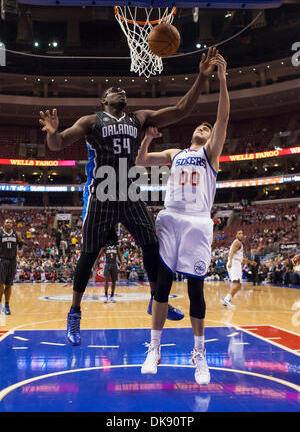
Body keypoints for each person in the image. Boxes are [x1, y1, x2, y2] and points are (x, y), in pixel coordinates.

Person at [39, 47, 218, 346]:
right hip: (103, 193)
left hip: (130, 191)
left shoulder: (139, 118)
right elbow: (56, 144)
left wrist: (200, 78)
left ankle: (153, 298)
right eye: (113, 91)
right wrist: (52, 132)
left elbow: (181, 111)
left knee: (152, 245)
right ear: (103, 101)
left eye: (122, 91)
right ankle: (74, 313)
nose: (120, 91)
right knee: (88, 253)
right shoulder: (91, 121)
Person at [136, 54, 229, 385]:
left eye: (208, 127)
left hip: (198, 223)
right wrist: (147, 139)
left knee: (196, 290)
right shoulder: (176, 153)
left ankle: (199, 354)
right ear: (192, 133)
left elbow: (222, 117)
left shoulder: (210, 155)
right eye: (200, 126)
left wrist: (222, 79)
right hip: (171, 218)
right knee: (162, 285)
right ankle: (155, 348)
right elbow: (141, 160)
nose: (205, 127)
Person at [221, 230, 257, 308]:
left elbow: (240, 259)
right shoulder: (237, 243)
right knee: (237, 283)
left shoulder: (239, 244)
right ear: (236, 235)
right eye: (239, 233)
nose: (241, 235)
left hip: (236, 263)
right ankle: (227, 299)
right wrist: (230, 262)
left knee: (238, 285)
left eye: (242, 233)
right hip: (233, 263)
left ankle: (227, 299)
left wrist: (250, 262)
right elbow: (231, 253)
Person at [0, 218, 23, 315]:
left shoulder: (17, 234)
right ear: (4, 224)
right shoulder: (0, 233)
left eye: (10, 222)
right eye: (7, 222)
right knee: (0, 283)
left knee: (9, 284)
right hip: (2, 260)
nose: (8, 223)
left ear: (12, 224)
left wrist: (21, 250)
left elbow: (21, 244)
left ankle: (7, 305)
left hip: (13, 261)